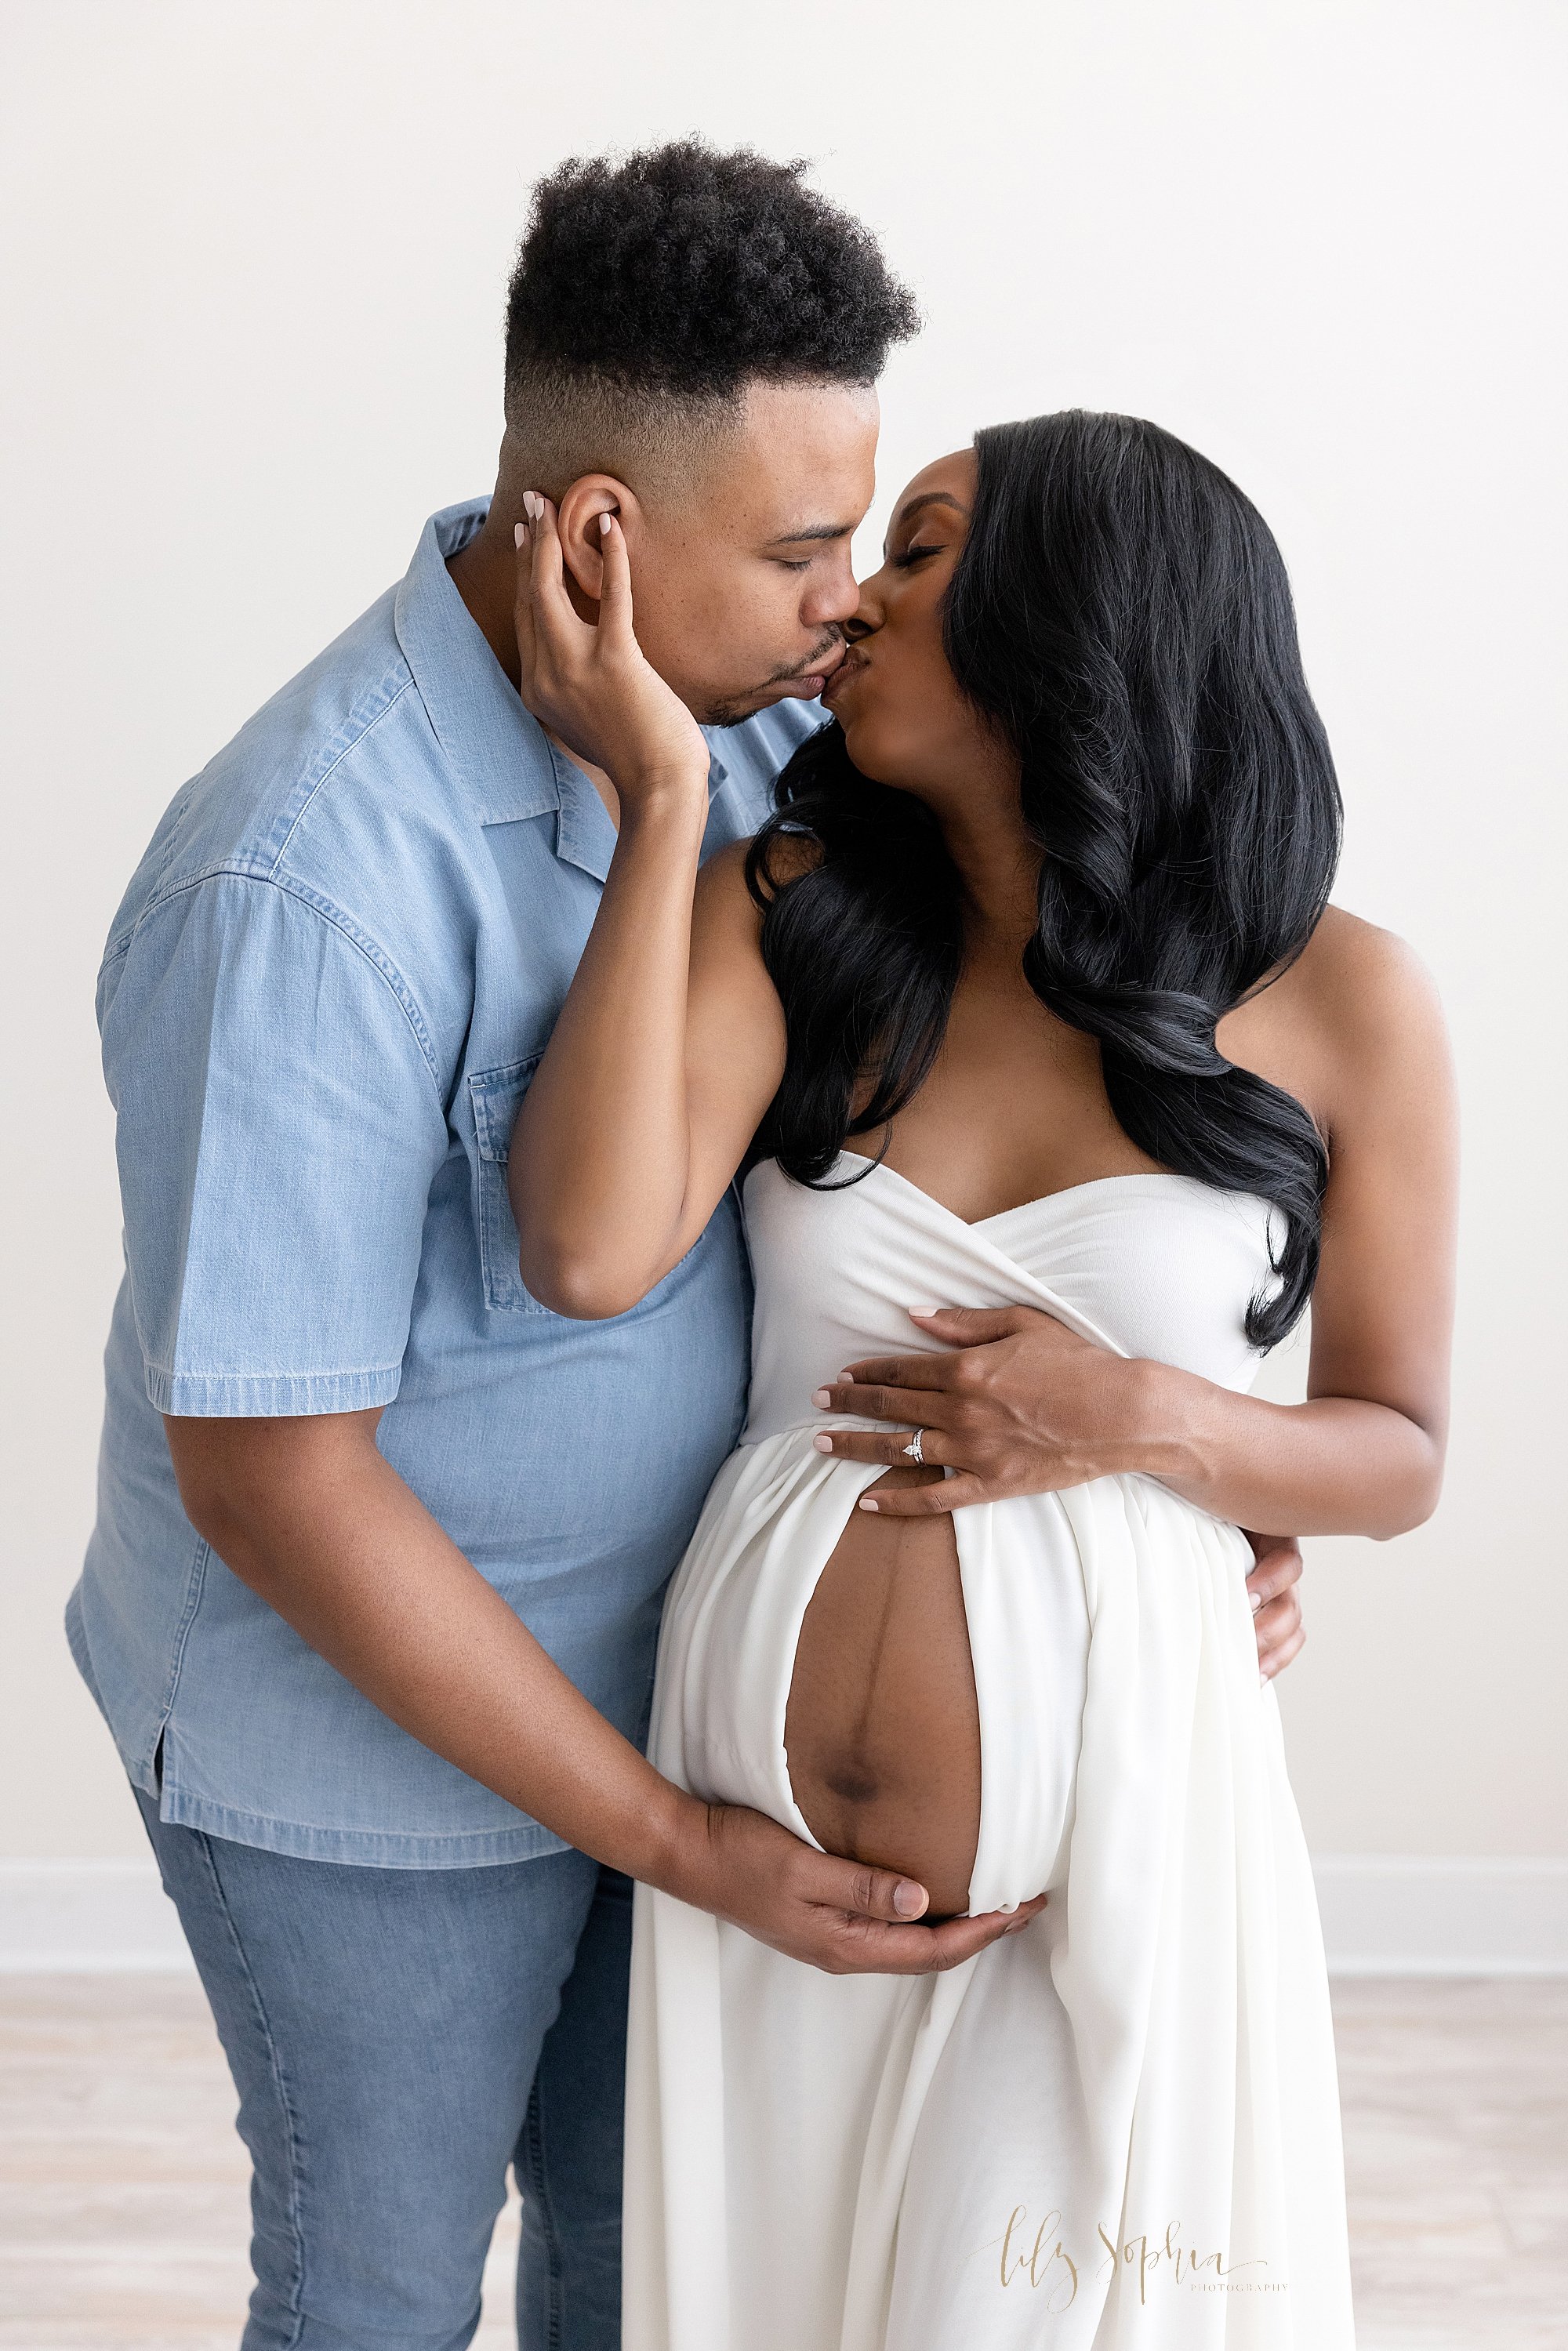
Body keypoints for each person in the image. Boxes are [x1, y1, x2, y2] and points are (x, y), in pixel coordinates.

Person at [67, 143, 1305, 2350]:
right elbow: (277, 1477)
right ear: (608, 545)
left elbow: (1060, 1020)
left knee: (640, 2288)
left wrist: (1175, 1482)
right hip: (373, 1772)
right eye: (816, 549)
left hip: (678, 1709)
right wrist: (666, 1834)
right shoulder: (300, 885)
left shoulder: (768, 753)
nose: (855, 605)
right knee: (371, 2295)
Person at [506, 411, 1457, 2348]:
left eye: (920, 549)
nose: (848, 602)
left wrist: (1149, 1423)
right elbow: (589, 1246)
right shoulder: (795, 912)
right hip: (753, 1873)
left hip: (1110, 1851)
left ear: (1076, 618)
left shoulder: (1342, 996)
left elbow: (1398, 1453)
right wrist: (669, 806)